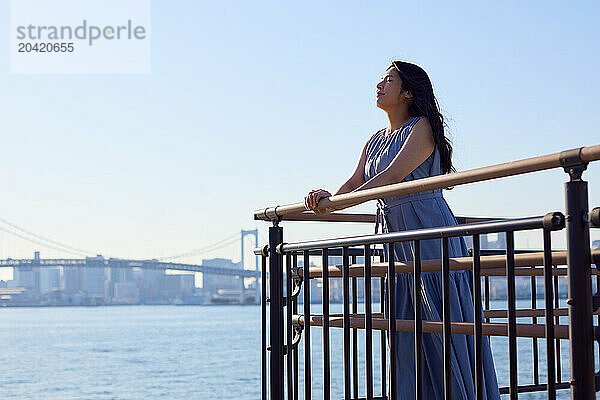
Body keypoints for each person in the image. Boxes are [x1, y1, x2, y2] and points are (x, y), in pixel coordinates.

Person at [304, 61, 500, 400]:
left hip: (427, 227)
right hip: (394, 237)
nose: (379, 85)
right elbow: (355, 182)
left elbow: (393, 178)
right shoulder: (376, 139)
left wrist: (337, 205)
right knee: (405, 324)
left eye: (388, 80)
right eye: (380, 79)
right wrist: (326, 198)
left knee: (441, 320)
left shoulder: (420, 127)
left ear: (408, 92)